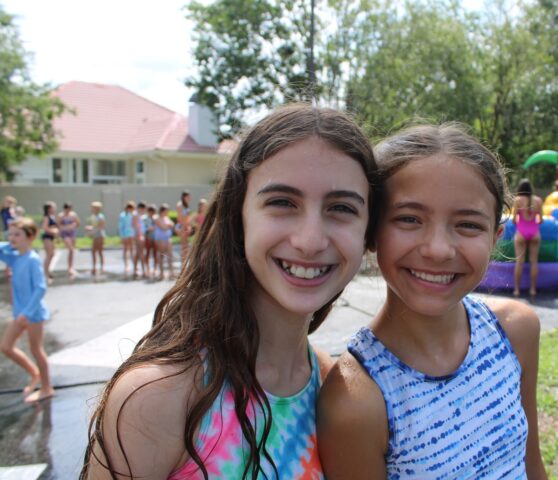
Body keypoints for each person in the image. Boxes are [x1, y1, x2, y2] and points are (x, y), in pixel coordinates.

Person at [81, 104, 379, 479]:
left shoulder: (333, 390)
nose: (310, 240)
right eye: (282, 203)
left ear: (369, 233)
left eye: (341, 208)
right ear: (238, 217)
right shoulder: (160, 396)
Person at [317, 124, 547, 479]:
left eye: (468, 225)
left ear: (495, 236)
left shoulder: (516, 331)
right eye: (409, 219)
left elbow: (531, 464)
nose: (438, 250)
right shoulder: (356, 400)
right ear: (371, 233)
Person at [0, 218, 55, 403]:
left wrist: (27, 313)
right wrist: (10, 242)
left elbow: (41, 288)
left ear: (30, 237)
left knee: (36, 349)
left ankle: (47, 388)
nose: (12, 238)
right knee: (6, 347)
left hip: (33, 314)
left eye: (17, 234)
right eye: (10, 234)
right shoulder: (14, 256)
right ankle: (35, 374)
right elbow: (2, 249)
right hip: (20, 313)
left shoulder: (32, 260)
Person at [513, 178, 544, 297]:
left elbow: (515, 219)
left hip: (521, 232)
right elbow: (540, 220)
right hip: (534, 232)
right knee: (534, 262)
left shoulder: (518, 200)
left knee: (519, 262)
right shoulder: (538, 200)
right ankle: (532, 290)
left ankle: (516, 290)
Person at [58, 202, 81, 280]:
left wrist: (73, 225)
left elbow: (78, 223)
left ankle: (71, 267)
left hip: (72, 233)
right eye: (67, 209)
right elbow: (58, 225)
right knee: (70, 249)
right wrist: (65, 227)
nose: (68, 211)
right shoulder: (61, 216)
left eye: (69, 209)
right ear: (64, 209)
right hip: (65, 234)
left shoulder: (73, 215)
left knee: (72, 251)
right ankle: (70, 268)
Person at [153, 204, 175, 281]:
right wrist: (168, 225)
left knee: (170, 255)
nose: (168, 212)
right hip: (160, 238)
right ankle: (161, 273)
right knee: (161, 255)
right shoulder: (157, 218)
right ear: (163, 210)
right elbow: (164, 227)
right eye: (167, 210)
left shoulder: (166, 217)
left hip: (167, 238)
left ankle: (171, 272)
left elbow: (172, 224)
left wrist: (168, 225)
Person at [40, 201, 59, 284]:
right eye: (53, 207)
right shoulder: (46, 217)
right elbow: (45, 228)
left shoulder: (53, 216)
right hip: (47, 237)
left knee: (52, 254)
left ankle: (47, 271)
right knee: (49, 254)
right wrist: (53, 231)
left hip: (52, 237)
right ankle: (45, 273)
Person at [85, 201, 106, 277]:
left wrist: (92, 232)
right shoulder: (93, 216)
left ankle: (102, 267)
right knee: (93, 251)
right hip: (95, 235)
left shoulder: (100, 216)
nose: (91, 209)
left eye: (93, 208)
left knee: (100, 251)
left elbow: (101, 227)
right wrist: (89, 228)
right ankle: (94, 267)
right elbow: (94, 226)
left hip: (99, 235)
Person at [118, 201, 136, 277]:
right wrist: (122, 236)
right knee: (126, 250)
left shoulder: (134, 214)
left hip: (132, 234)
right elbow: (120, 226)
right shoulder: (122, 215)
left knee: (132, 249)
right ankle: (126, 265)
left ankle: (134, 265)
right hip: (125, 234)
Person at [132, 202, 148, 279]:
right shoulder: (136, 215)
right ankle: (144, 271)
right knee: (141, 253)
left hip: (139, 235)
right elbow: (136, 226)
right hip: (138, 236)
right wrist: (140, 236)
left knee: (138, 253)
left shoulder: (138, 215)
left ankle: (135, 270)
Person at [176, 190, 192, 265]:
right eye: (188, 197)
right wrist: (185, 227)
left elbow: (188, 218)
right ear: (183, 197)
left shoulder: (186, 205)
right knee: (184, 247)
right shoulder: (180, 205)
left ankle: (184, 265)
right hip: (182, 227)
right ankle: (183, 266)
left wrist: (189, 226)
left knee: (186, 247)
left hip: (185, 227)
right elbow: (180, 218)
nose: (189, 198)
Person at [144, 204, 158, 278]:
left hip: (155, 238)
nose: (152, 213)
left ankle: (155, 269)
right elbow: (145, 228)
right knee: (148, 253)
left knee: (155, 254)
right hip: (148, 237)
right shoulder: (145, 219)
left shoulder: (156, 218)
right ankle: (147, 269)